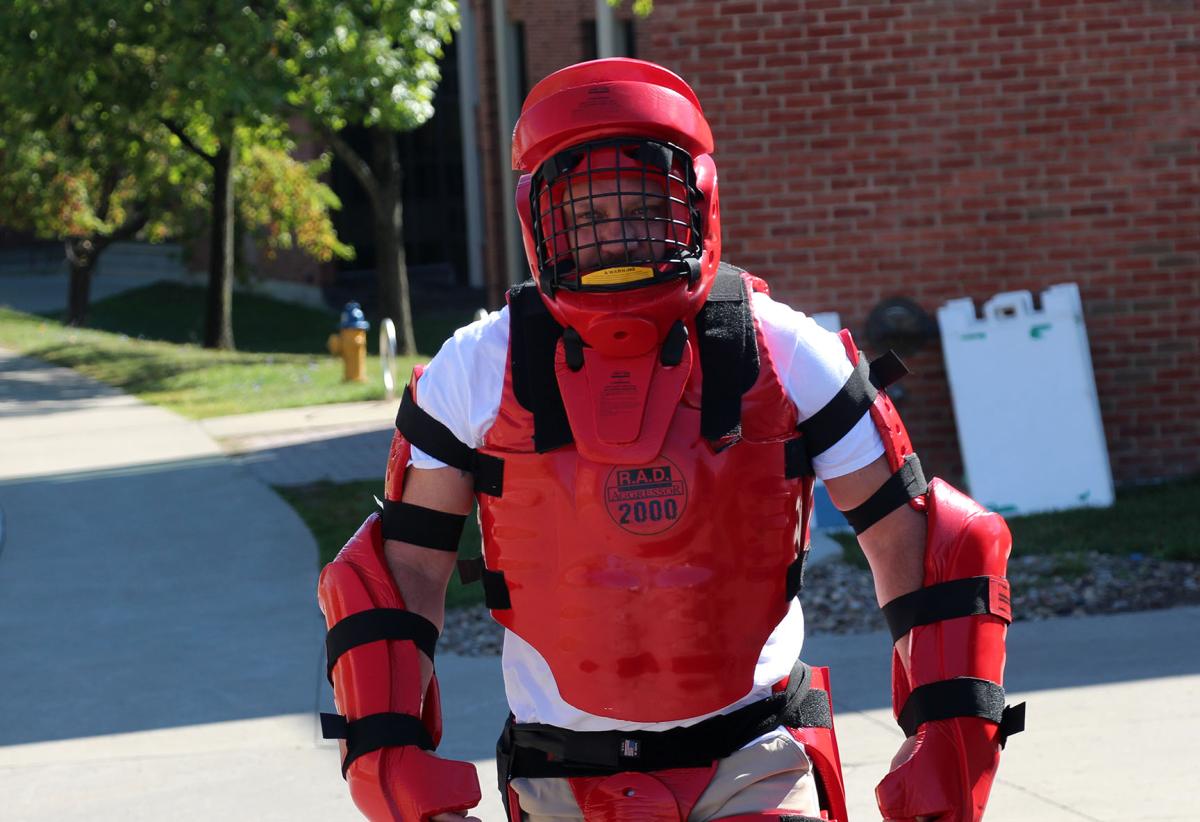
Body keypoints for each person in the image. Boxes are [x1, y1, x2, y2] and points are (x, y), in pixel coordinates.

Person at [317, 58, 1023, 822]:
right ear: (541, 224)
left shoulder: (789, 354)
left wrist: (948, 746)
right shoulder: (475, 372)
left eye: (639, 210)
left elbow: (922, 548)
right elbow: (401, 576)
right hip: (562, 776)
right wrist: (394, 767)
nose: (613, 238)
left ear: (695, 205)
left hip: (757, 757)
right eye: (586, 218)